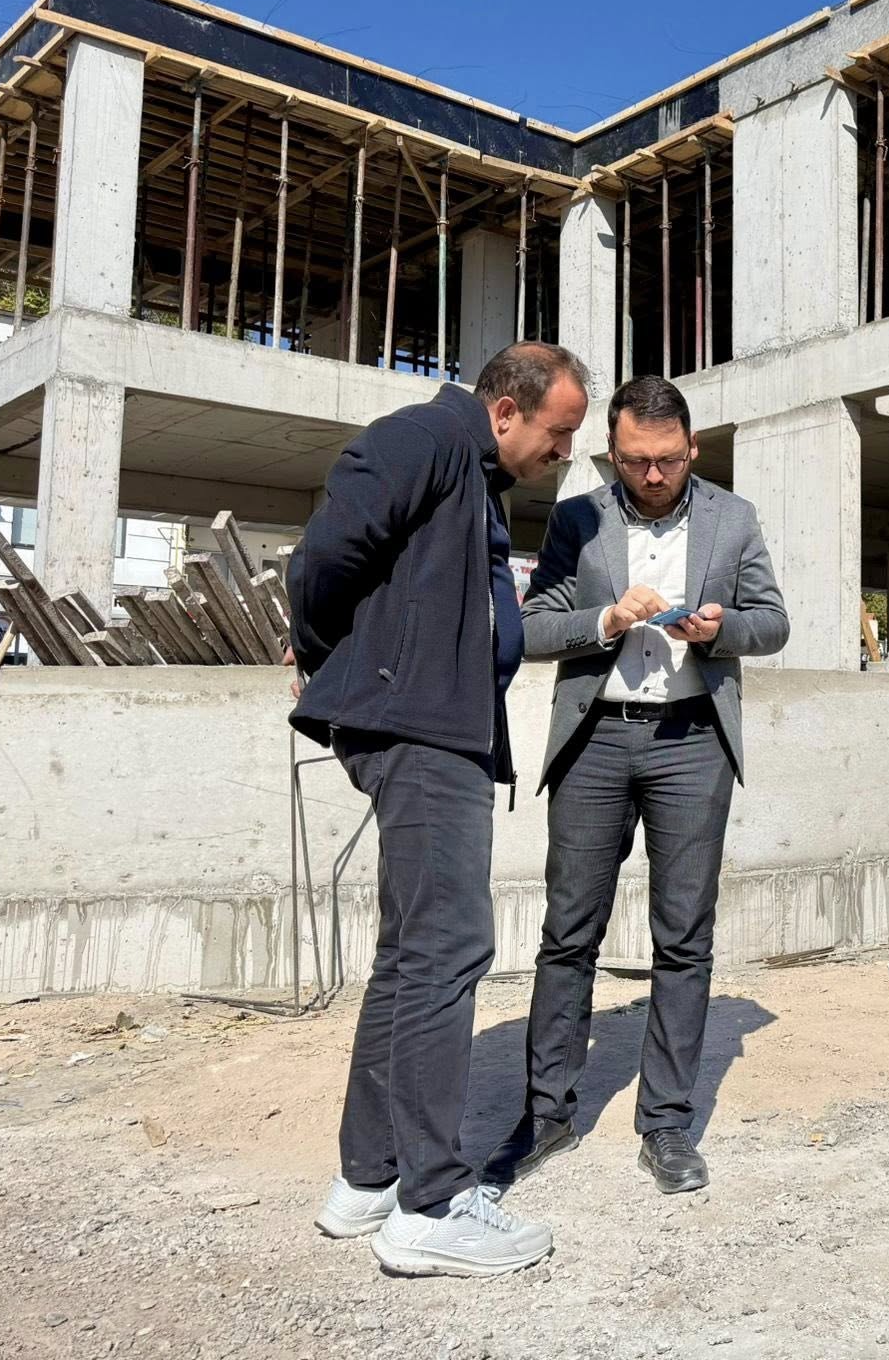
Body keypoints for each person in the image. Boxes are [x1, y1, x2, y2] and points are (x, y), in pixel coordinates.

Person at [289, 341, 589, 1277]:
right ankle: (429, 1203)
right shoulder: (423, 437)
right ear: (507, 411)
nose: (564, 454)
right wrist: (344, 662)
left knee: (413, 952)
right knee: (451, 947)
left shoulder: (468, 472)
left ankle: (368, 1180)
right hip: (417, 730)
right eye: (560, 432)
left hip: (436, 729)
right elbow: (322, 561)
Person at [488, 374, 787, 1196]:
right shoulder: (578, 515)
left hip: (692, 741)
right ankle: (547, 1112)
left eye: (665, 461)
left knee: (684, 936)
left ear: (691, 449)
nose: (651, 478)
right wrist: (605, 621)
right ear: (611, 452)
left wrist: (723, 630)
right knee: (568, 929)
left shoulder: (735, 518)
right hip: (596, 742)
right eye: (633, 462)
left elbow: (775, 622)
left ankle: (667, 1122)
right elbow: (534, 625)